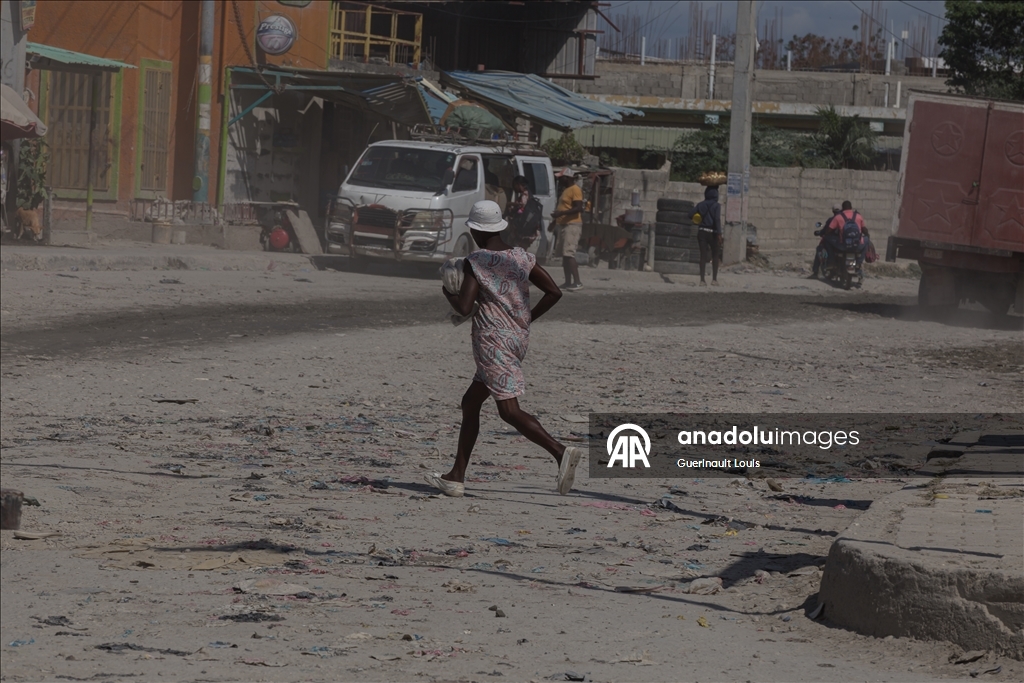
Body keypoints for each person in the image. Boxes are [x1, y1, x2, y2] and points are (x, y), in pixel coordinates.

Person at [427, 200, 585, 498]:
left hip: (492, 343)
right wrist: (525, 319)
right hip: (516, 339)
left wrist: (448, 291)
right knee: (470, 403)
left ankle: (560, 451)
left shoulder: (477, 261)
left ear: (474, 229)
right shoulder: (522, 257)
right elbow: (554, 292)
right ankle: (456, 476)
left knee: (508, 410)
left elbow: (463, 307)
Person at [550, 169, 584, 291]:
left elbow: (578, 207)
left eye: (561, 177)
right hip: (564, 224)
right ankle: (568, 282)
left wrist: (561, 213)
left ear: (568, 178)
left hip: (572, 225)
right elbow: (563, 207)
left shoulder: (575, 189)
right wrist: (555, 221)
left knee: (569, 253)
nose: (559, 179)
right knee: (564, 255)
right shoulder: (566, 190)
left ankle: (577, 282)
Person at [695, 185, 722, 286]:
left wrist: (698, 218)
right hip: (713, 233)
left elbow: (690, 215)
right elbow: (717, 220)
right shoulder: (717, 206)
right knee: (715, 256)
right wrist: (719, 233)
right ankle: (714, 280)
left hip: (702, 232)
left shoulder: (700, 205)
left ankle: (702, 280)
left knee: (703, 256)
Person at [504, 175, 541, 250]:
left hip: (521, 231)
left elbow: (519, 210)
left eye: (514, 185)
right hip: (529, 231)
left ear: (519, 184)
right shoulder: (530, 196)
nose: (514, 188)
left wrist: (510, 205)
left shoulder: (524, 196)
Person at [809, 204, 842, 279]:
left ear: (833, 211)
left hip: (832, 240)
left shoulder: (832, 219)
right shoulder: (846, 219)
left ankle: (815, 271)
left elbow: (826, 230)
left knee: (819, 249)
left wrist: (820, 232)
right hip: (843, 242)